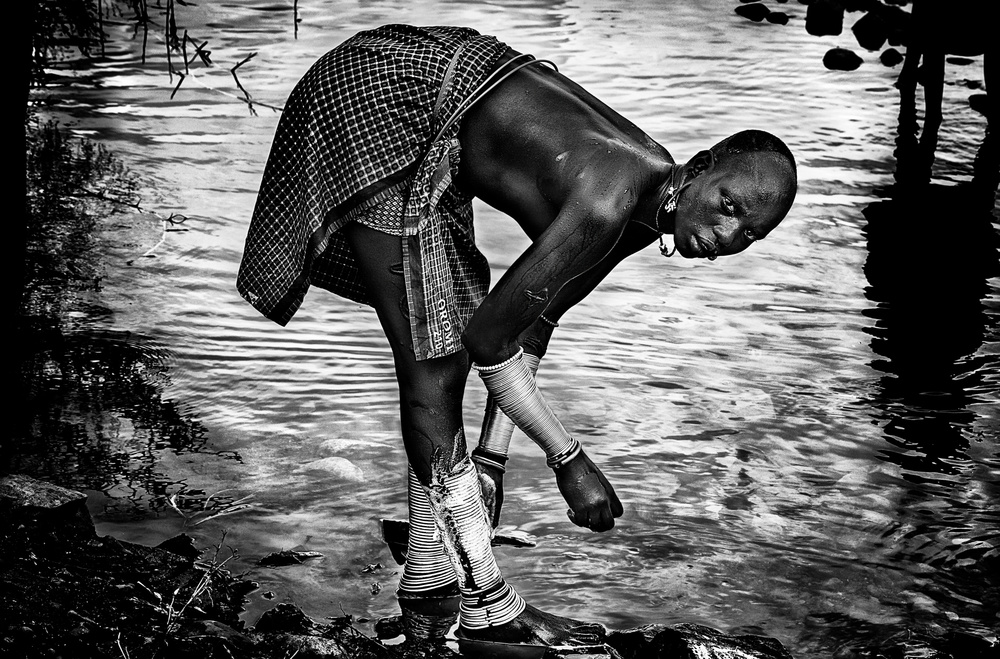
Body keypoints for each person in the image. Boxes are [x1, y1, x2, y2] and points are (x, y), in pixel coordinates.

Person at [238, 24, 797, 655]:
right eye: (729, 206)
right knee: (433, 361)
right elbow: (488, 340)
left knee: (447, 333)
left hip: (437, 117)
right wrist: (569, 461)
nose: (727, 236)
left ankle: (431, 572)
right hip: (385, 98)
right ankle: (491, 607)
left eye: (750, 234)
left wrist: (492, 460)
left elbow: (534, 322)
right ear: (699, 170)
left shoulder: (644, 209)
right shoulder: (609, 200)